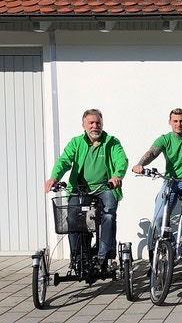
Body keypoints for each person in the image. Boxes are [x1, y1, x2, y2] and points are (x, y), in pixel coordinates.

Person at [44, 109, 128, 271]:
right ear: (84, 125)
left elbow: (121, 160)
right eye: (91, 123)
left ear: (102, 124)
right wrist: (54, 177)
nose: (95, 126)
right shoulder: (77, 142)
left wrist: (117, 175)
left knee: (109, 215)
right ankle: (79, 257)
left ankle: (104, 257)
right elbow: (64, 161)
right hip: (80, 189)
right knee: (73, 219)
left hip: (105, 187)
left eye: (98, 123)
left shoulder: (111, 142)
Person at [132, 108, 182, 256]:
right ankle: (171, 245)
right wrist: (140, 164)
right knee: (160, 215)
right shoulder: (165, 139)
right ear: (170, 122)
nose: (179, 124)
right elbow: (152, 153)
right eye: (175, 121)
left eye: (181, 121)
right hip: (170, 181)